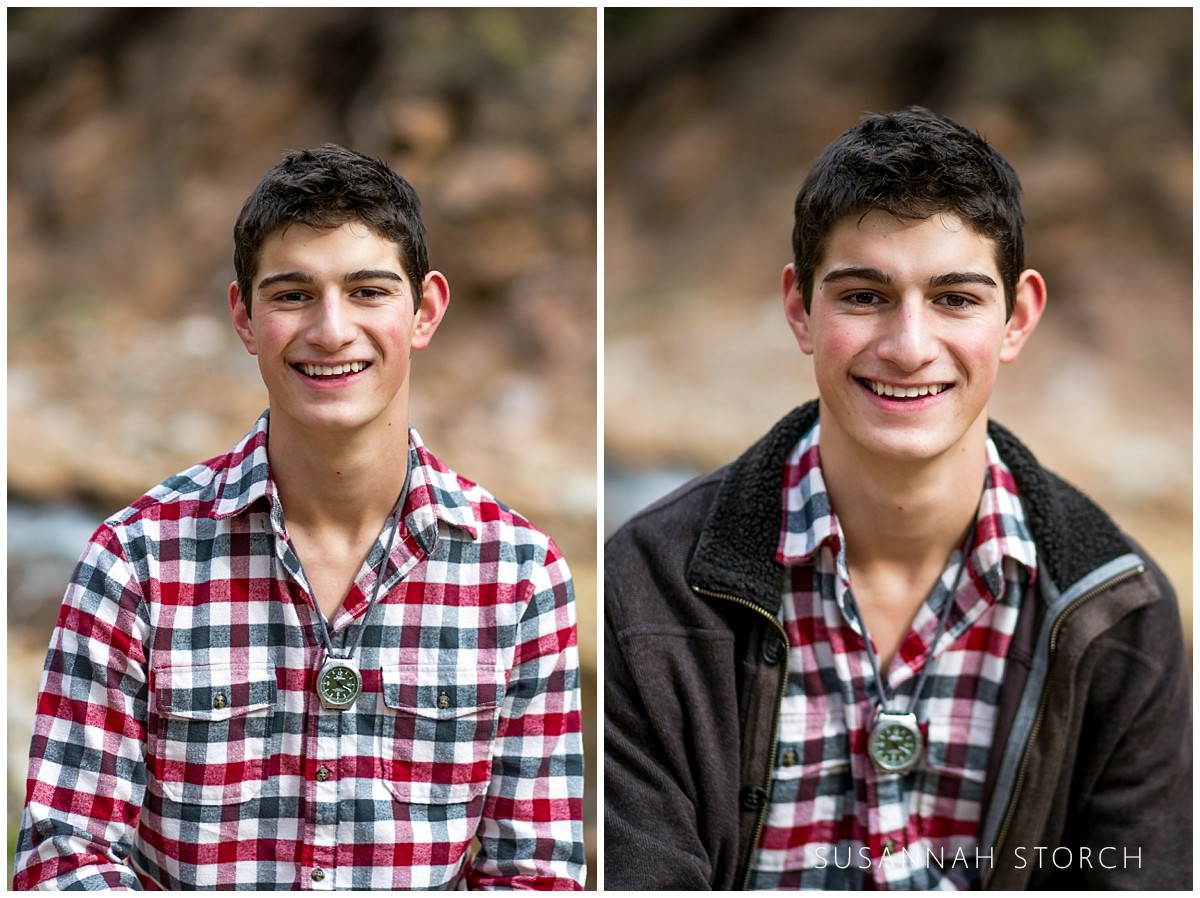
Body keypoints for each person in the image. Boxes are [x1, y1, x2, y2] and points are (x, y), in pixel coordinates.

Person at [603, 107, 1190, 889]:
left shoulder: (1120, 616)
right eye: (865, 296)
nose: (910, 346)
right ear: (799, 309)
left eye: (955, 299)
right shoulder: (645, 590)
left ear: (1016, 319)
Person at [14, 145, 586, 890]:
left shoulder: (519, 578)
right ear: (244, 318)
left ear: (426, 310)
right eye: (292, 295)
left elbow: (536, 875)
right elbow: (63, 862)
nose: (331, 329)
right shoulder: (135, 563)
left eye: (368, 290)